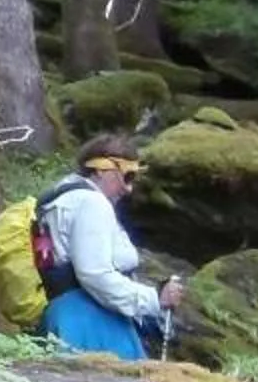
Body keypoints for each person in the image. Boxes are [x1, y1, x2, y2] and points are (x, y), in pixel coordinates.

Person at [36, 135, 183, 359]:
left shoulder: (60, 197)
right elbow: (96, 275)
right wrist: (154, 299)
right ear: (101, 170)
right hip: (91, 320)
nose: (129, 188)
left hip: (64, 314)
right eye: (127, 177)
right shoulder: (91, 203)